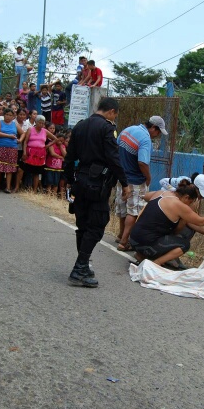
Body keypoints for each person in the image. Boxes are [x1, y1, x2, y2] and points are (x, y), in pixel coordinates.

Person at [64, 97, 129, 288]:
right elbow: (114, 158)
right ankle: (80, 267)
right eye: (115, 115)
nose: (114, 118)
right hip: (98, 184)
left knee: (83, 225)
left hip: (79, 181)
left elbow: (69, 157)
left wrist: (68, 180)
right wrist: (124, 183)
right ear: (111, 111)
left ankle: (82, 266)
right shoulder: (107, 128)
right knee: (97, 224)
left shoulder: (80, 126)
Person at [130, 181, 204, 266]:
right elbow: (200, 221)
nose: (190, 205)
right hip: (146, 244)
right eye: (191, 202)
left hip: (133, 240)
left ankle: (141, 254)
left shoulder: (162, 192)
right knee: (184, 245)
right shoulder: (178, 205)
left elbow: (145, 196)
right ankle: (157, 262)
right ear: (186, 197)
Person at [115, 116, 167, 252]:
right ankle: (124, 242)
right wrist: (148, 177)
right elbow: (142, 162)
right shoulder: (145, 139)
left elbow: (115, 149)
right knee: (134, 211)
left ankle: (120, 235)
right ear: (153, 128)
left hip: (121, 177)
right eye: (159, 132)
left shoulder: (127, 130)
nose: (158, 135)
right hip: (136, 180)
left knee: (123, 207)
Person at [21, 115, 57, 194]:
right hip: (30, 152)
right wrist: (24, 152)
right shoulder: (30, 129)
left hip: (40, 153)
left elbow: (55, 139)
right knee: (28, 171)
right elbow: (25, 142)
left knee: (37, 173)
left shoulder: (45, 131)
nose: (41, 125)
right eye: (39, 123)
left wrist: (47, 146)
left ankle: (34, 190)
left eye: (42, 123)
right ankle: (27, 187)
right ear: (36, 122)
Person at [0, 108, 23, 194]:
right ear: (4, 115)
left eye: (10, 115)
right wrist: (9, 136)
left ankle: (8, 187)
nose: (8, 117)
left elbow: (23, 133)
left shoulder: (15, 124)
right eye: (7, 115)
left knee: (9, 168)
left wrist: (20, 140)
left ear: (13, 117)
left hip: (12, 148)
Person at [44, 132, 67, 196]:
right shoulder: (51, 144)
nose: (60, 142)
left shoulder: (62, 146)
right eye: (59, 140)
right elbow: (52, 153)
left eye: (62, 141)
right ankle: (48, 195)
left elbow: (65, 154)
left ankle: (53, 196)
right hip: (50, 166)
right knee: (49, 182)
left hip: (58, 168)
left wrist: (60, 146)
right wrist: (60, 157)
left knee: (55, 183)